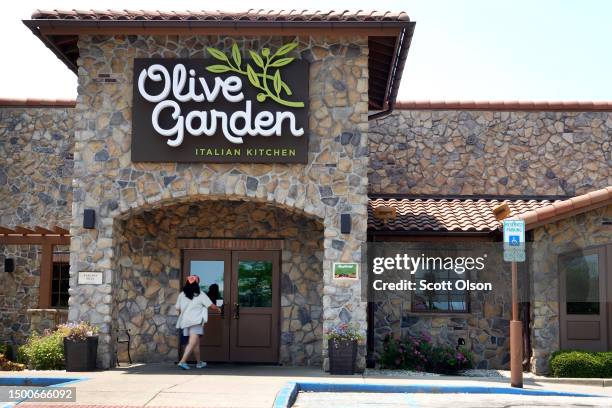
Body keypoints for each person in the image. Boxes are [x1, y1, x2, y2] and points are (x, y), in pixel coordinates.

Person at [175, 275, 220, 369]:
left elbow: (177, 308)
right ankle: (182, 361)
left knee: (196, 343)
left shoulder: (182, 294)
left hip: (185, 322)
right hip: (196, 321)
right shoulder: (200, 294)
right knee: (192, 342)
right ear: (197, 284)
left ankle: (199, 363)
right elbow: (211, 305)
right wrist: (219, 309)